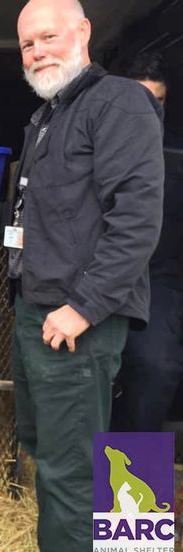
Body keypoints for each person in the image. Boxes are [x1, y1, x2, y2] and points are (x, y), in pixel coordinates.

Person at [0, 0, 164, 552]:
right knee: (52, 449)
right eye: (27, 44)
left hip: (92, 310)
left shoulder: (120, 103)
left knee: (97, 450)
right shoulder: (50, 116)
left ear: (84, 33)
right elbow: (39, 218)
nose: (37, 51)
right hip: (52, 310)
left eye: (48, 37)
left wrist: (83, 306)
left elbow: (137, 220)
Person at [111, 53, 183, 432]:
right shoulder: (94, 146)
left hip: (158, 282)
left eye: (157, 102)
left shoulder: (176, 156)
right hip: (99, 280)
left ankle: (135, 490)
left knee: (156, 370)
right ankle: (84, 485)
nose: (149, 112)